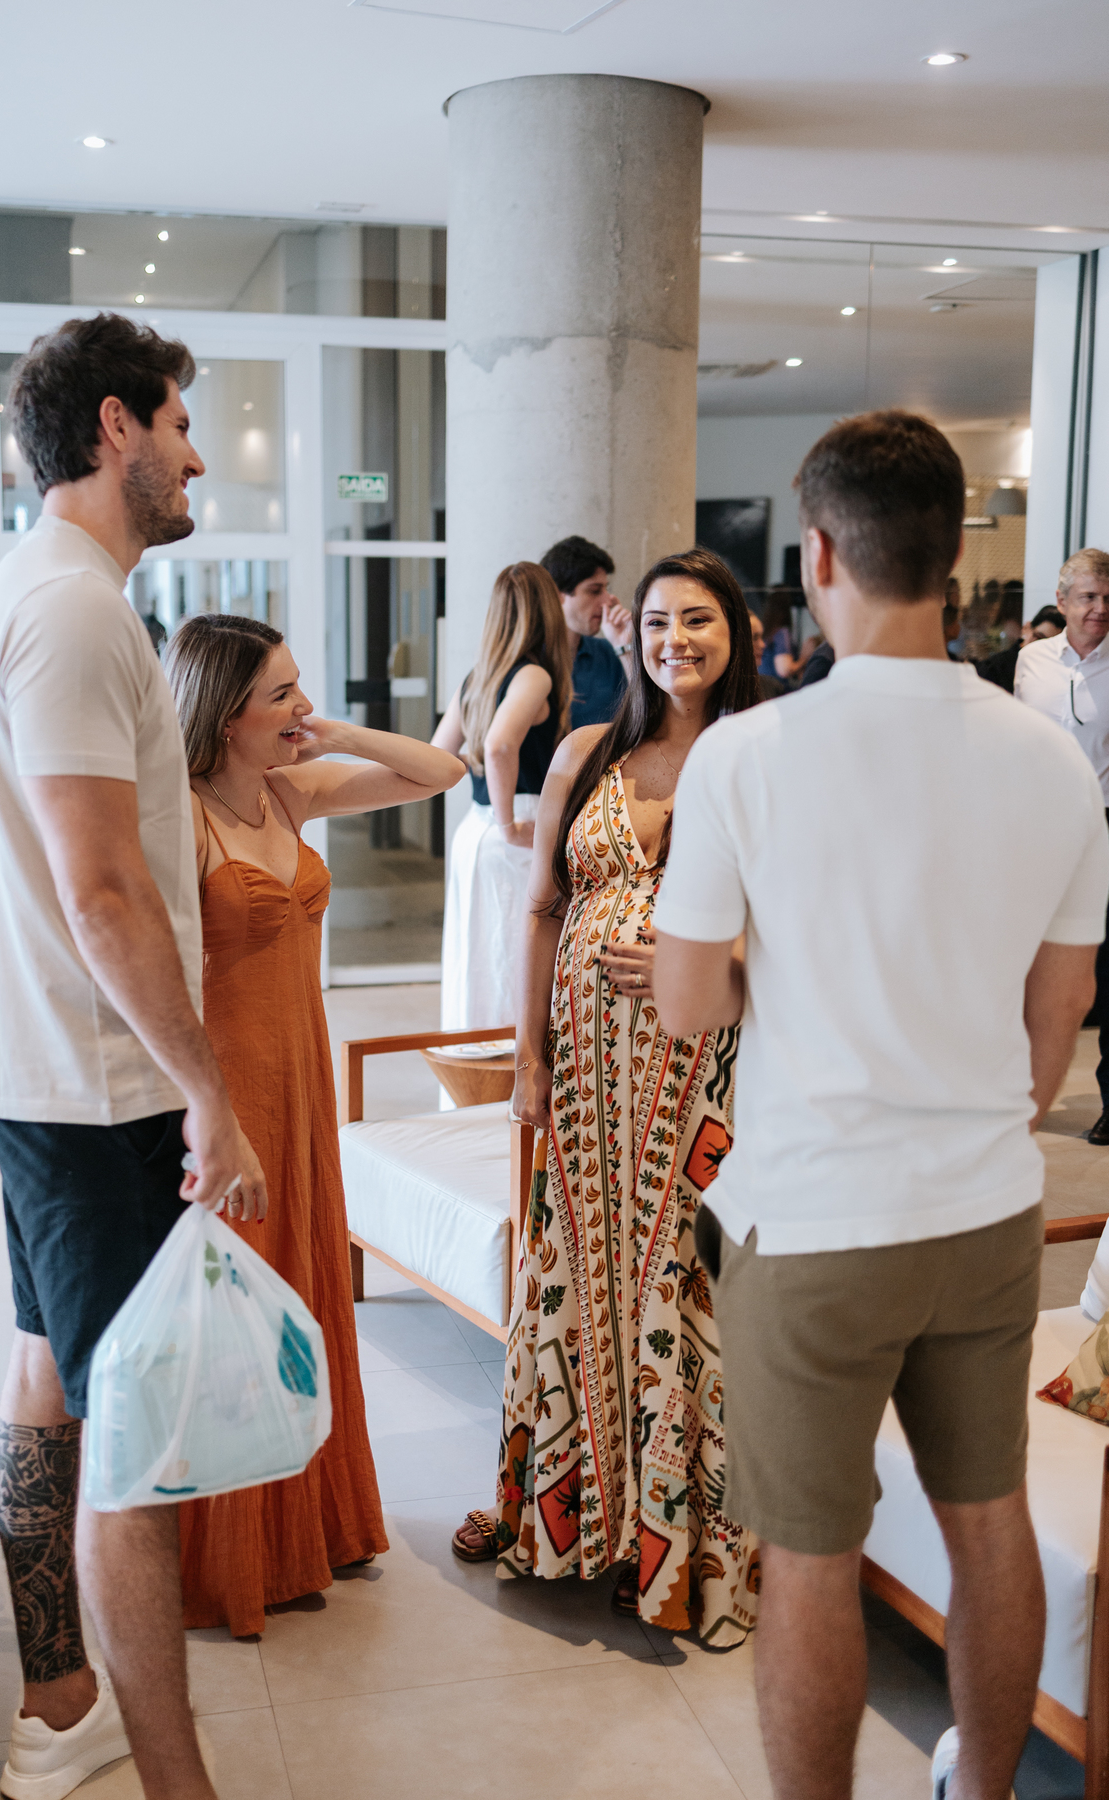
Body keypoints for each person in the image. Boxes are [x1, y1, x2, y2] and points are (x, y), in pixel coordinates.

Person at [652, 412, 1108, 1800]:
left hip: (813, 1226)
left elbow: (684, 1006)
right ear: (954, 558)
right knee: (988, 1527)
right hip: (983, 1215)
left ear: (823, 552)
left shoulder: (748, 758)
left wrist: (762, 962)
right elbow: (1057, 1025)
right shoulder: (1053, 760)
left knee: (812, 1554)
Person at [0, 313, 266, 1800]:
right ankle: (174, 1785)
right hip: (99, 1088)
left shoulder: (40, 594)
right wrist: (209, 1091)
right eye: (182, 423)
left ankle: (60, 1704)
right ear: (116, 429)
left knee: (50, 1380)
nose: (198, 454)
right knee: (135, 1447)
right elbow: (102, 889)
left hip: (46, 1079)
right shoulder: (75, 612)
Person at [452, 546, 763, 1646]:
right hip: (583, 1073)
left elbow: (798, 924)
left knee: (674, 1281)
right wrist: (527, 1057)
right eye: (656, 621)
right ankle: (569, 1523)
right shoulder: (588, 750)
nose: (675, 639)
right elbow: (541, 911)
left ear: (740, 635)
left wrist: (721, 969)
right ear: (625, 635)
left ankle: (671, 1546)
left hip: (699, 1067)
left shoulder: (760, 759)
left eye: (699, 621)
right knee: (576, 1275)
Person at [165, 615, 464, 1635]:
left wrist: (332, 732)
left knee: (303, 1296)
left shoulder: (292, 790)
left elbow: (440, 772)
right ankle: (229, 1555)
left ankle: (316, 1528)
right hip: (231, 1089)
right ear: (224, 713)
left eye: (300, 688)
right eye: (281, 694)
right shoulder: (178, 817)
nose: (300, 706)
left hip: (303, 1081)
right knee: (236, 1319)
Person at [434, 562, 571, 1030]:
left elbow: (438, 755)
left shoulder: (478, 677)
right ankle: (506, 1084)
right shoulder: (535, 676)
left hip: (474, 830)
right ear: (548, 610)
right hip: (515, 826)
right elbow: (498, 745)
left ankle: (469, 1082)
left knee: (475, 959)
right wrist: (509, 821)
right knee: (514, 962)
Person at [1015, 548, 1109, 1146]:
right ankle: (1019, 1094)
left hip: (1106, 820)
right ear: (1063, 599)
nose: (1099, 609)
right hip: (1038, 824)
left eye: (1108, 598)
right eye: (1089, 597)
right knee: (1029, 957)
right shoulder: (1031, 662)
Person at [540, 534, 634, 727]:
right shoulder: (527, 661)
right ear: (558, 594)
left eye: (605, 589)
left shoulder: (611, 653)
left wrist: (625, 647)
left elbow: (647, 716)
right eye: (594, 590)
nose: (608, 600)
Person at [977, 603, 1064, 692]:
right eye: (1039, 638)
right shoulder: (994, 668)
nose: (1043, 647)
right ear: (1026, 628)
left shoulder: (1057, 672)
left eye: (1052, 645)